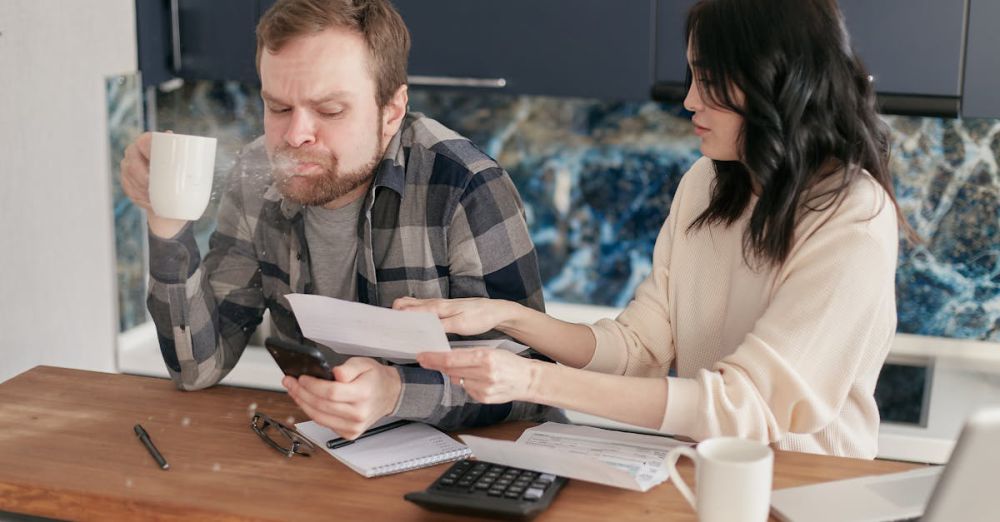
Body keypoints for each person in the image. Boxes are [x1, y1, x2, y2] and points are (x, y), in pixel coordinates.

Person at [395, 0, 912, 459]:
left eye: (708, 80)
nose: (689, 100)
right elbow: (639, 347)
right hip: (705, 472)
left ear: (775, 77)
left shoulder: (853, 219)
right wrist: (507, 317)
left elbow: (744, 405)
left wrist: (534, 379)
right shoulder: (707, 183)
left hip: (810, 486)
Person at [119, 0, 555, 440]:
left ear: (392, 111)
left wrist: (395, 392)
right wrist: (166, 221)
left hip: (479, 468)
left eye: (329, 111)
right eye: (279, 108)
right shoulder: (256, 180)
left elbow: (531, 384)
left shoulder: (465, 187)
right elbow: (197, 368)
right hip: (329, 460)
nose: (295, 136)